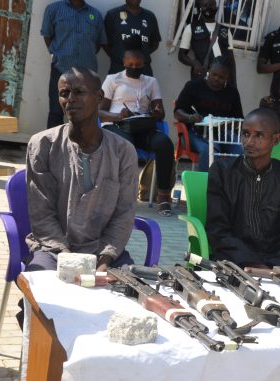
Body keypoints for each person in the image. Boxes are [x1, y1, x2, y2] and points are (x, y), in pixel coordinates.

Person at [25, 66, 137, 272]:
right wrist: (69, 261)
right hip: (53, 250)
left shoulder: (123, 151)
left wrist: (104, 261)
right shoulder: (42, 145)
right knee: (41, 285)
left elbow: (124, 214)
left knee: (126, 287)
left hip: (104, 252)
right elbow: (42, 214)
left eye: (79, 92)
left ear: (99, 97)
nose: (70, 99)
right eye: (64, 93)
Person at [206, 108, 280, 269]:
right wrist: (252, 263)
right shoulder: (222, 172)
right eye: (246, 134)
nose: (249, 142)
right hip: (234, 261)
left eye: (259, 135)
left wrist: (272, 267)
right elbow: (217, 230)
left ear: (276, 139)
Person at [98, 47, 176, 216]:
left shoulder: (151, 82)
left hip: (142, 126)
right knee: (126, 145)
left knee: (164, 144)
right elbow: (100, 112)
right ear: (124, 63)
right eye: (130, 64)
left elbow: (161, 112)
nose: (134, 67)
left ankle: (163, 196)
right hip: (117, 125)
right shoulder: (113, 79)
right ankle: (122, 196)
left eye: (138, 65)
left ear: (144, 64)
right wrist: (118, 116)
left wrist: (156, 111)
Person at [41, 0, 107, 128]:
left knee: (85, 112)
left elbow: (99, 42)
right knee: (56, 111)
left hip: (87, 75)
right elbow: (47, 35)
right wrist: (57, 54)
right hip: (61, 68)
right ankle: (53, 140)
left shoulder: (95, 15)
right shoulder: (53, 9)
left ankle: (81, 141)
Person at [175, 56, 244, 171]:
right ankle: (209, 180)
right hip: (196, 132)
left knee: (241, 150)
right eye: (214, 74)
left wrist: (228, 124)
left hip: (222, 134)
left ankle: (235, 180)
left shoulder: (232, 92)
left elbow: (239, 119)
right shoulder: (193, 86)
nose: (216, 79)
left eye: (221, 77)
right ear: (209, 69)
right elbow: (178, 112)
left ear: (227, 77)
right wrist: (191, 117)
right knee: (210, 150)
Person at [178, 0, 237, 87]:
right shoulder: (191, 28)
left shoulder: (225, 31)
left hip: (220, 81)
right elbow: (181, 55)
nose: (208, 7)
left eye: (211, 5)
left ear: (216, 7)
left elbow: (231, 60)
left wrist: (233, 85)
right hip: (200, 78)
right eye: (205, 5)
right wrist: (194, 63)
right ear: (200, 8)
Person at [104, 0, 161, 76]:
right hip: (119, 68)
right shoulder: (113, 15)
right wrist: (118, 57)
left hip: (144, 69)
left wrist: (141, 57)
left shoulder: (150, 16)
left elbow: (155, 43)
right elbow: (104, 42)